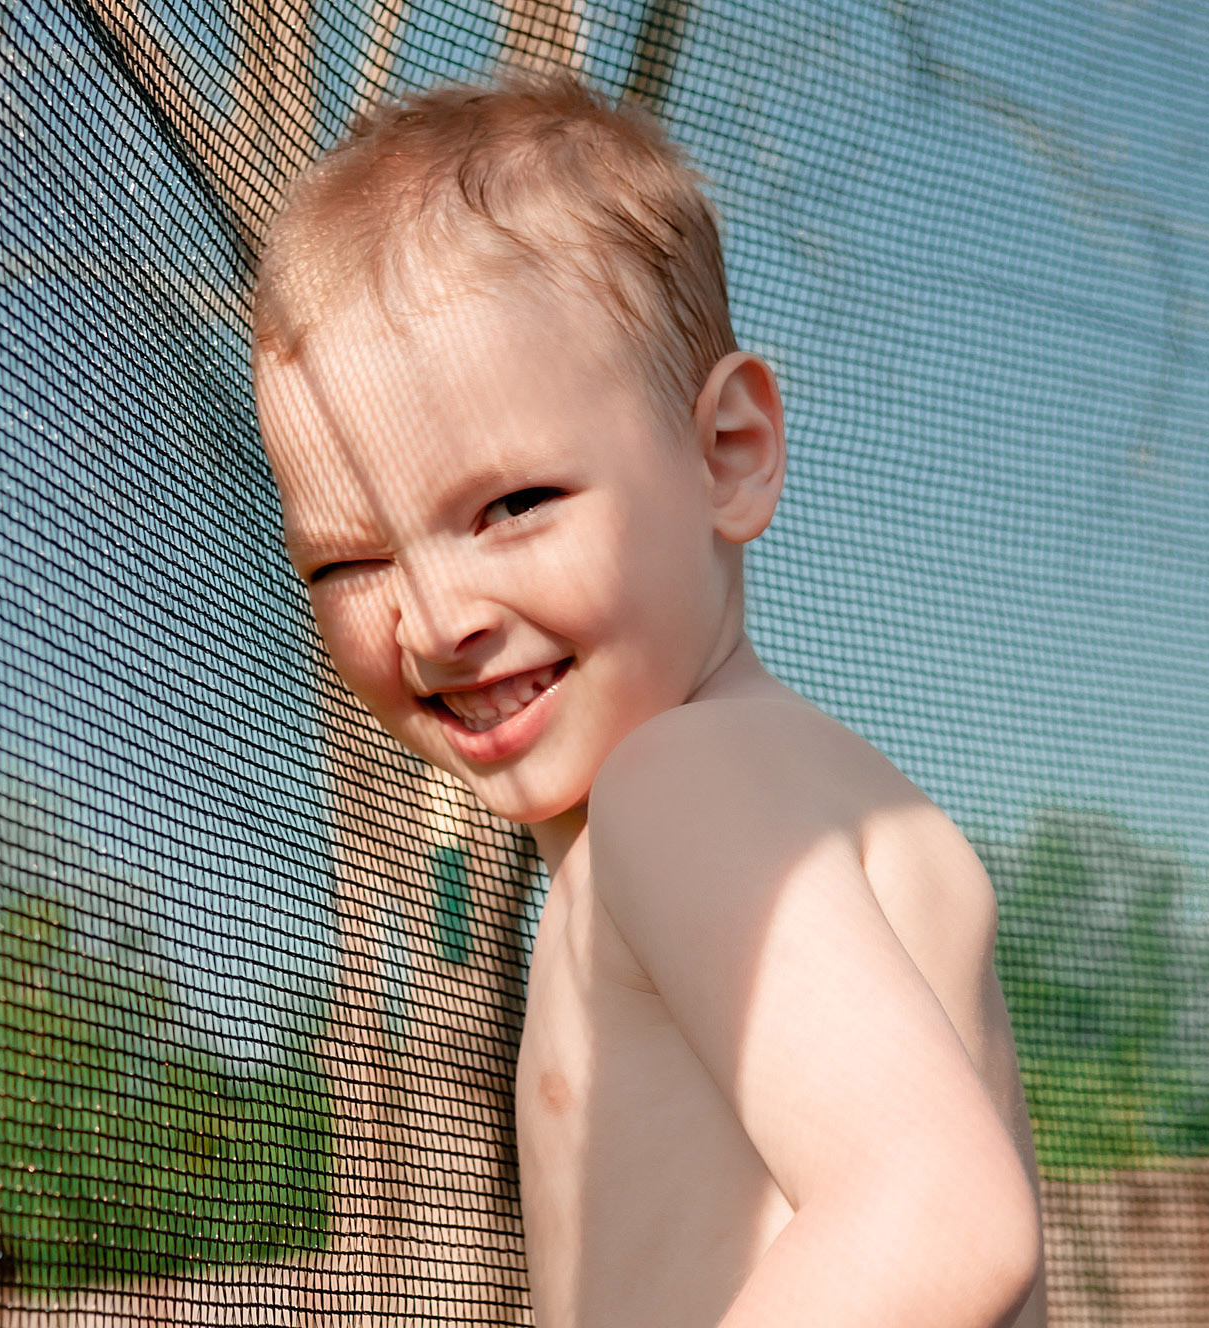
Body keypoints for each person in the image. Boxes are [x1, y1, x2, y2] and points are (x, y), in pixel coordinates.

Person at [249, 64, 1047, 1328]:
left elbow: (937, 1215)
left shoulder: (680, 785)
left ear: (725, 453)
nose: (436, 616)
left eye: (513, 505)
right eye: (348, 560)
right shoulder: (802, 793)